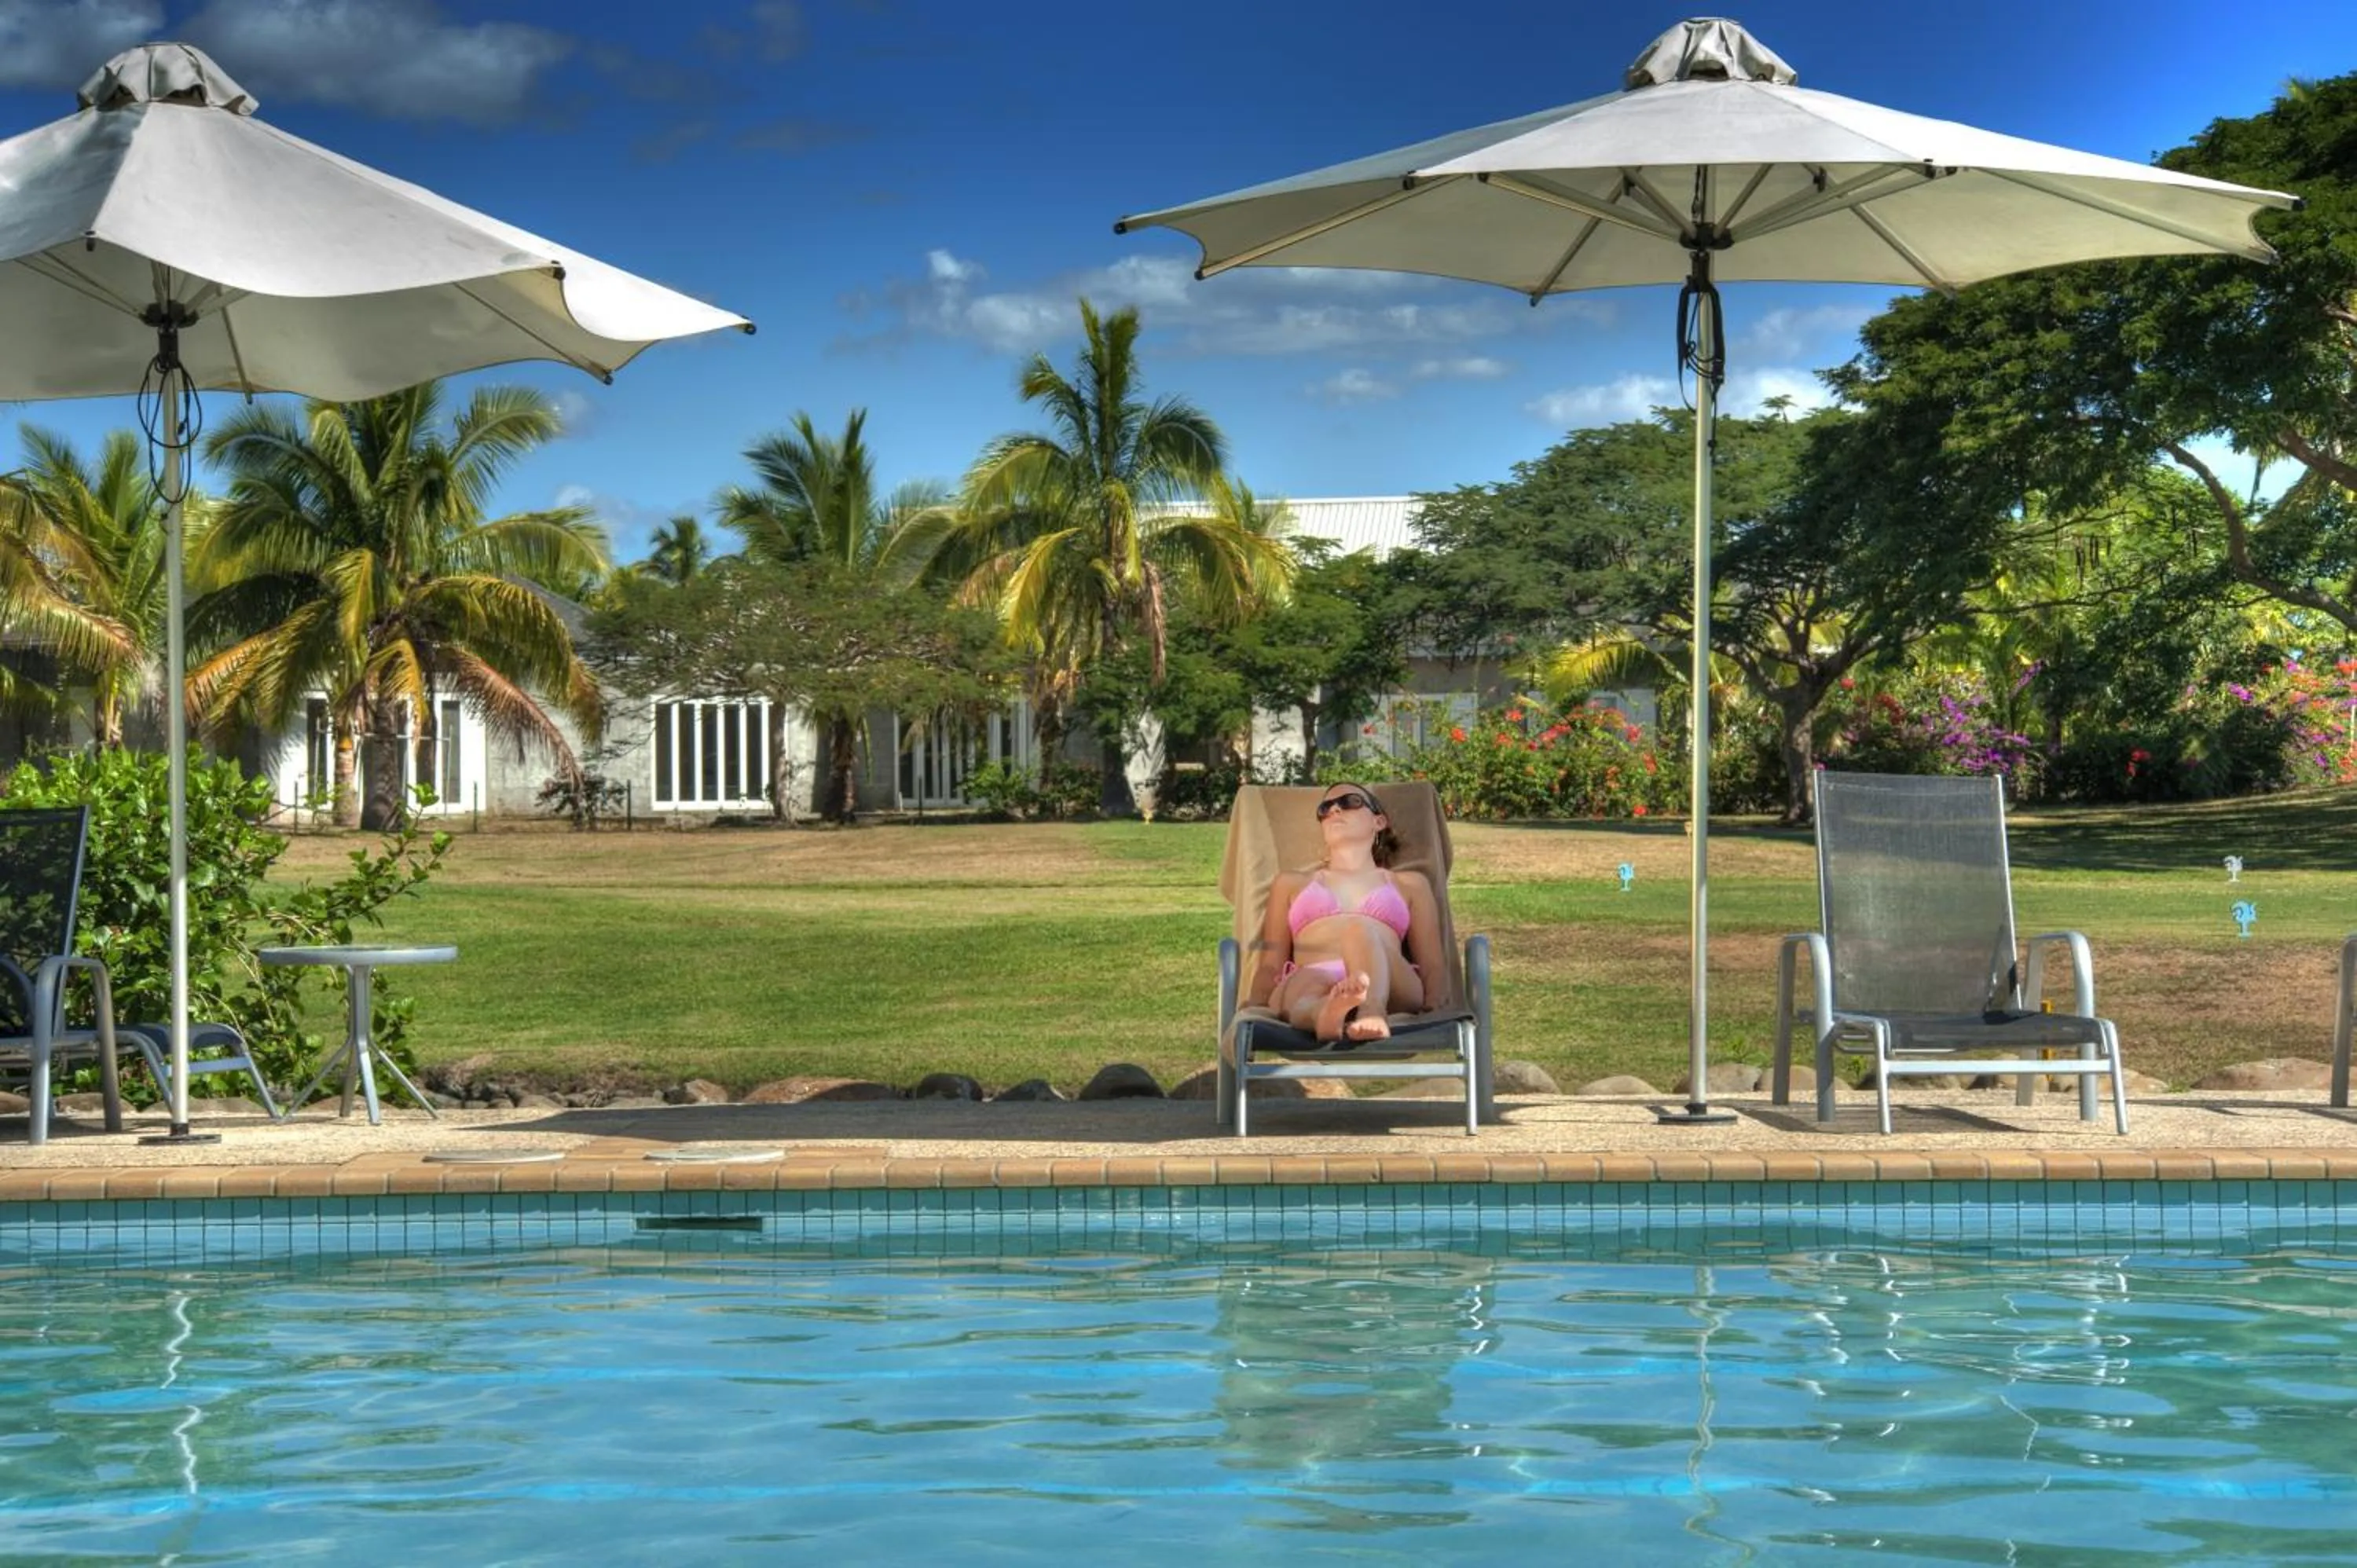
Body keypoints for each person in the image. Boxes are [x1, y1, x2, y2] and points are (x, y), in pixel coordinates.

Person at [1244, 782, 1450, 1043]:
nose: (1335, 810)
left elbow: (1433, 963)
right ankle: (1324, 1014)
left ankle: (1371, 1009)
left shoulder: (1410, 884)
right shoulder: (1290, 883)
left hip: (1391, 982)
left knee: (1360, 930)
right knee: (1306, 984)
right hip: (1314, 976)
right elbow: (1271, 963)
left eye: (1350, 802)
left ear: (1379, 821)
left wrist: (1437, 1006)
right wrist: (1254, 1005)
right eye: (1325, 808)